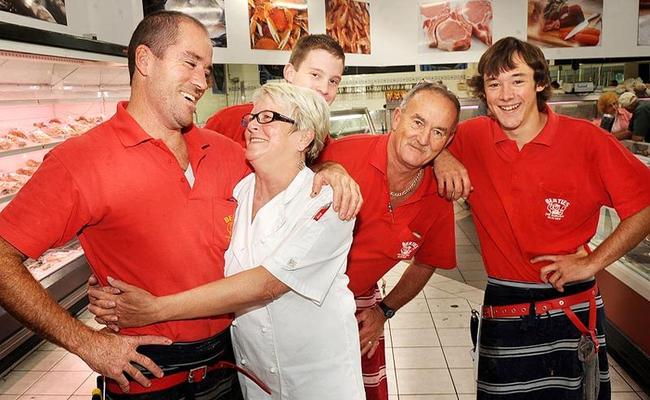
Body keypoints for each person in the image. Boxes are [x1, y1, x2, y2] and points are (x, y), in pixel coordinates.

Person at [0, 11, 360, 400]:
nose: (202, 81)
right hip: (147, 378)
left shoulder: (228, 154)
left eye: (207, 70)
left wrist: (333, 169)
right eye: (190, 63)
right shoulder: (79, 161)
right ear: (145, 61)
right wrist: (86, 342)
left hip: (230, 370)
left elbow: (288, 167)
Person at [90, 81, 460, 400]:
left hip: (316, 376)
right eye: (252, 117)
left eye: (268, 118)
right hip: (256, 375)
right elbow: (188, 244)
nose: (252, 126)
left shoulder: (332, 201)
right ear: (398, 119)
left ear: (303, 136)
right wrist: (115, 276)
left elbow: (268, 284)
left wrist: (155, 308)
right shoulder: (236, 190)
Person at [434, 36, 650, 400]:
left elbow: (644, 206)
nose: (506, 94)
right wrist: (442, 156)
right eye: (494, 83)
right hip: (505, 305)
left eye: (516, 80)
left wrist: (592, 262)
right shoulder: (471, 137)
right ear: (484, 93)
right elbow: (421, 144)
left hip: (572, 309)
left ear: (540, 82)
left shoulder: (586, 141)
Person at [318, 81, 459, 400]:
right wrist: (326, 167)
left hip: (358, 302)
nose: (423, 139)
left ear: (448, 141)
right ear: (397, 118)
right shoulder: (342, 155)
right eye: (418, 122)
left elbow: (428, 261)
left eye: (438, 132)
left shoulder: (439, 195)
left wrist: (385, 310)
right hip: (294, 298)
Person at [203, 34, 344, 147]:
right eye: (315, 75)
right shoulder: (229, 121)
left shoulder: (322, 140)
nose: (324, 89)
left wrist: (328, 168)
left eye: (333, 81)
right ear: (290, 73)